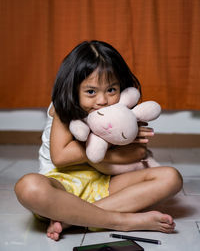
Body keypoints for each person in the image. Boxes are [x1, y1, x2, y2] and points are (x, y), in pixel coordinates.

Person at [15, 40, 183, 241]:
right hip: (61, 185)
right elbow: (60, 157)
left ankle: (72, 218)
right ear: (73, 90)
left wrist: (110, 148)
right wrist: (109, 143)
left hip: (106, 186)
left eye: (111, 90)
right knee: (28, 186)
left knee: (171, 177)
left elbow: (137, 154)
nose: (102, 100)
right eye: (91, 92)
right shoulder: (64, 107)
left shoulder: (121, 114)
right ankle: (123, 221)